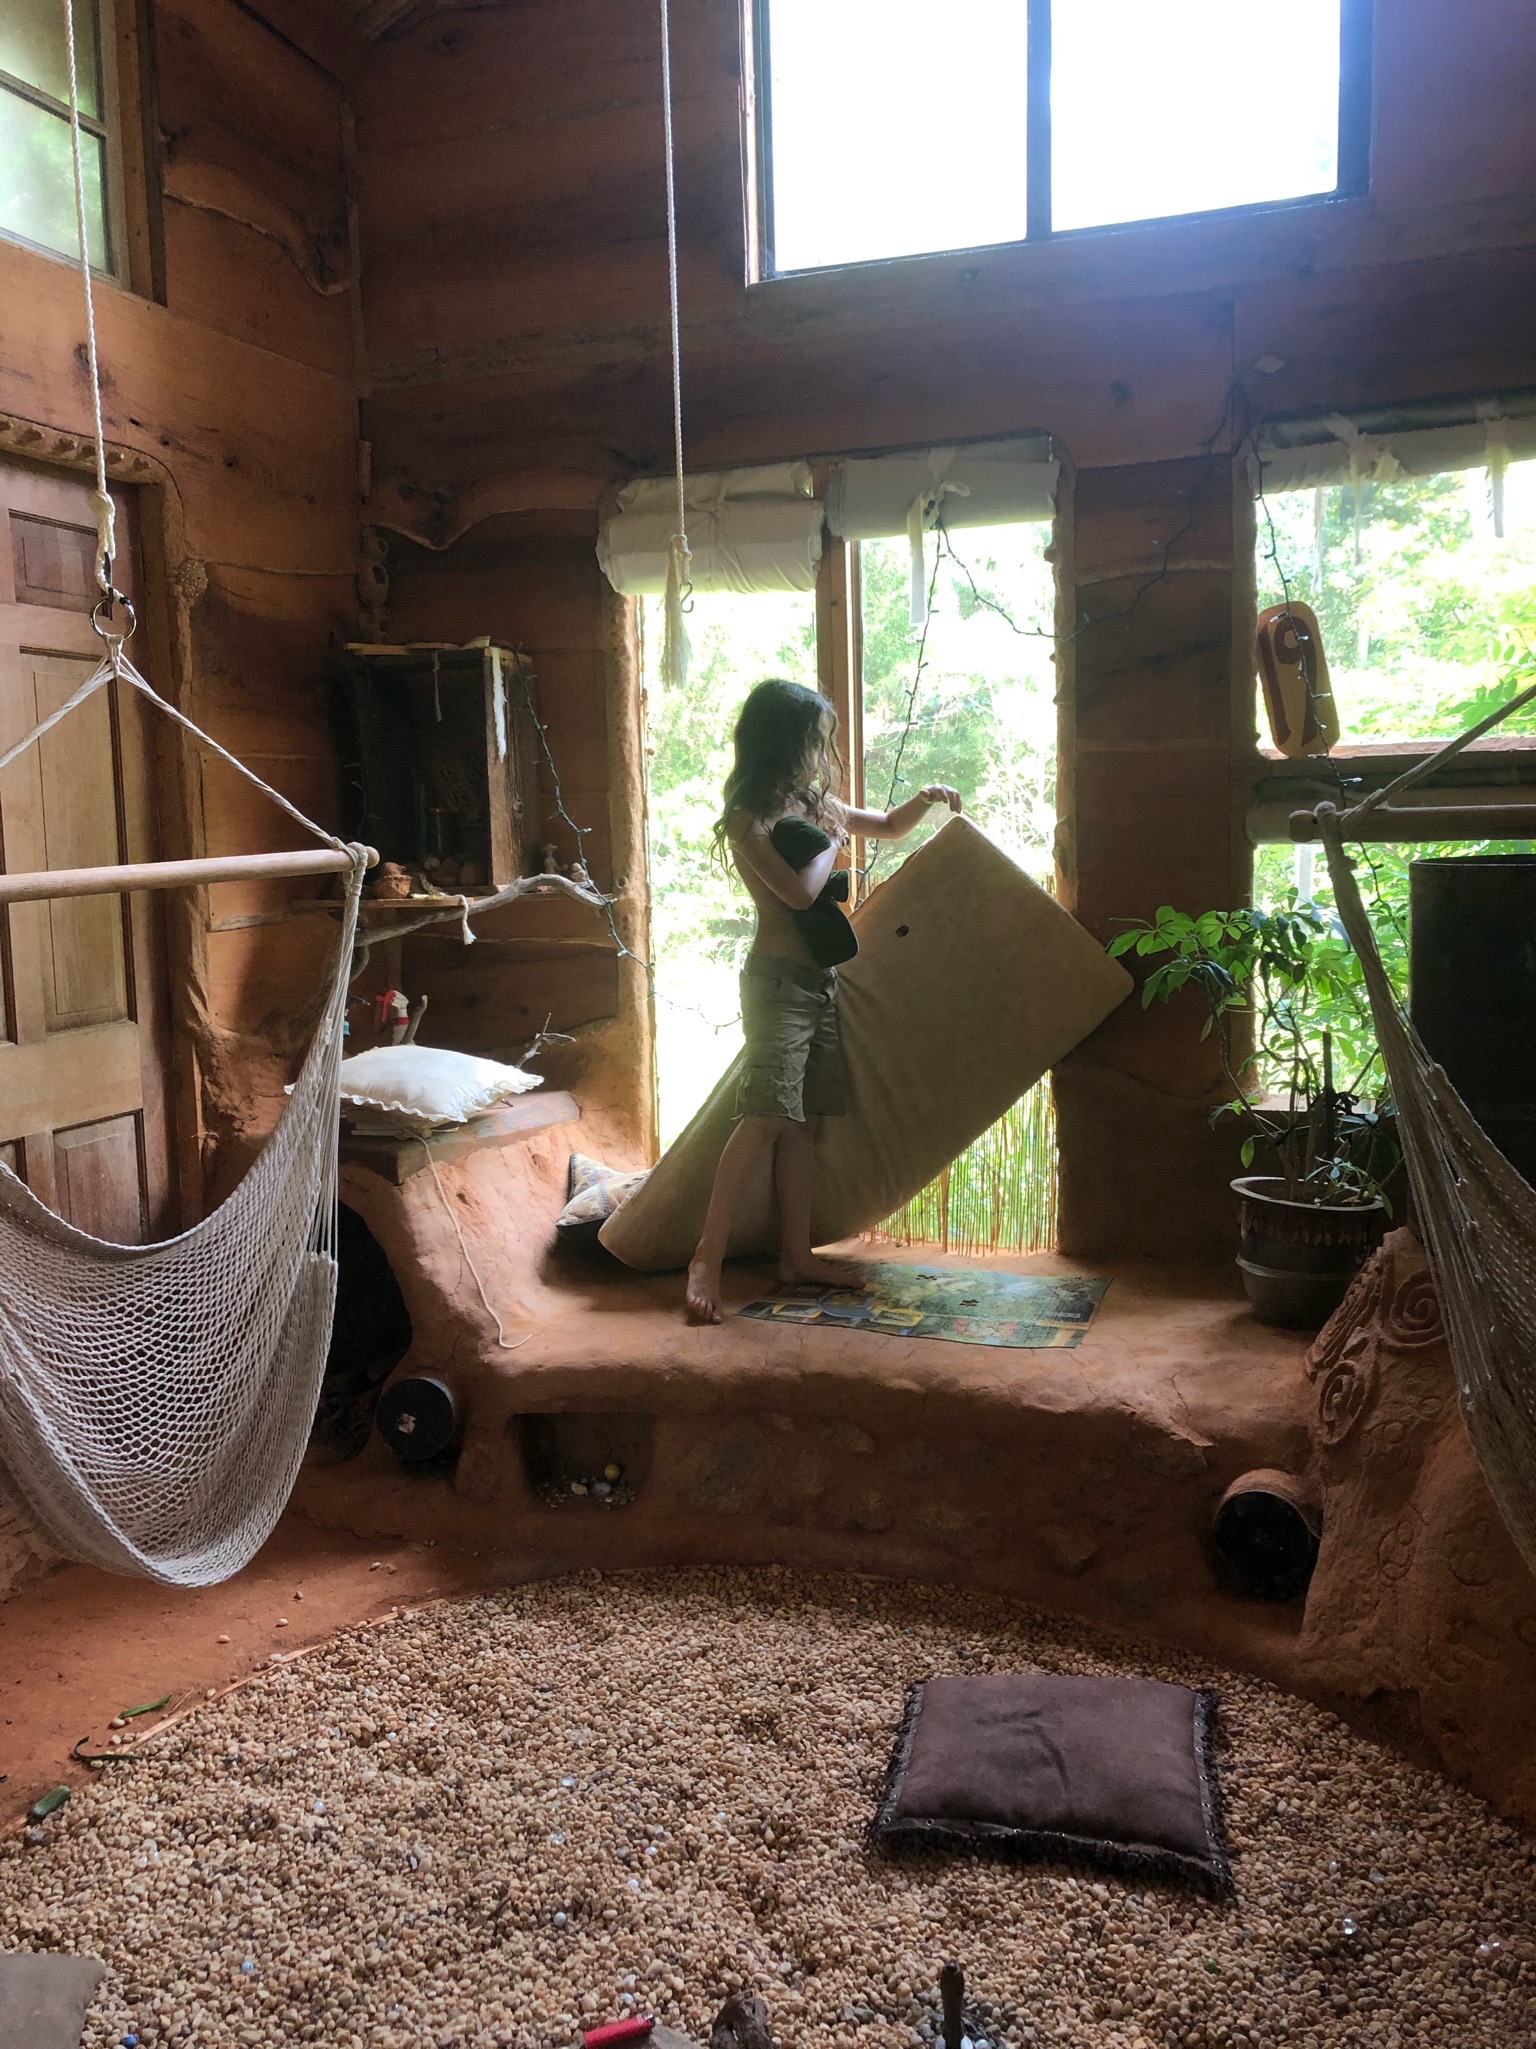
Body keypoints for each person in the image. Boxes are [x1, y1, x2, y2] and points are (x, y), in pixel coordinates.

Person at [685, 677, 962, 1324]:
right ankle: (706, 1257)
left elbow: (888, 827)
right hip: (777, 985)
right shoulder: (748, 816)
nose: (822, 751)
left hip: (820, 982)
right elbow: (800, 893)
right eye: (815, 739)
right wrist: (832, 834)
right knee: (764, 1117)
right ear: (784, 741)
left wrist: (925, 799)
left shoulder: (812, 804)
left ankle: (795, 1256)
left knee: (804, 1124)